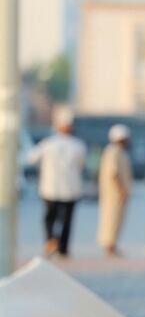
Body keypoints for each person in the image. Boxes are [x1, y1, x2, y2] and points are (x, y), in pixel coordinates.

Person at [26, 109, 87, 258]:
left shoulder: (47, 144)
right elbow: (81, 166)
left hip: (50, 188)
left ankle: (50, 240)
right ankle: (62, 248)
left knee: (50, 217)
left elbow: (31, 158)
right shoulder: (78, 146)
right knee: (66, 220)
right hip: (70, 188)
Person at [97, 124, 133, 257]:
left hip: (118, 193)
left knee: (117, 218)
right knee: (110, 218)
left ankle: (112, 244)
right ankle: (109, 245)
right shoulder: (113, 151)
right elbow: (113, 173)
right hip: (113, 193)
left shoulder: (120, 151)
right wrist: (121, 189)